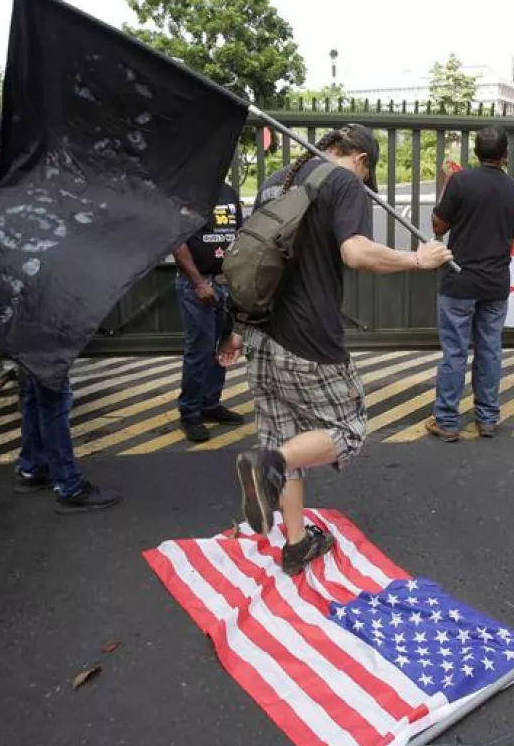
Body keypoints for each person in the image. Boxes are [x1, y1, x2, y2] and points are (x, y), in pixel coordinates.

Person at [217, 124, 453, 575]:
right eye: (368, 176)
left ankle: (297, 542)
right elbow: (356, 252)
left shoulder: (276, 182)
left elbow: (253, 261)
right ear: (361, 159)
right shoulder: (344, 182)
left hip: (261, 340)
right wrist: (417, 260)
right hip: (309, 340)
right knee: (348, 430)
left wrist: (234, 330)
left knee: (285, 436)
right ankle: (268, 466)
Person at [0, 116, 122, 512]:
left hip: (12, 312)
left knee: (34, 394)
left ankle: (31, 466)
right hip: (37, 312)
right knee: (53, 395)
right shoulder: (14, 195)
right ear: (1, 150)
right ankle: (68, 486)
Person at [425, 126, 514, 442]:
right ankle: (487, 418)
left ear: (476, 153)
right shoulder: (513, 190)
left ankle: (447, 421)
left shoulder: (460, 182)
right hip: (496, 283)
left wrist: (446, 186)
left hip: (460, 280)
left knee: (454, 351)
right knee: (490, 350)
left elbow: (438, 225)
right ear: (505, 155)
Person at [172, 183, 246, 443]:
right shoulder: (186, 192)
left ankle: (210, 404)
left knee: (223, 346)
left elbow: (240, 234)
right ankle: (190, 412)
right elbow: (177, 240)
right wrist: (198, 282)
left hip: (227, 282)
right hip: (198, 285)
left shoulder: (228, 193)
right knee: (200, 351)